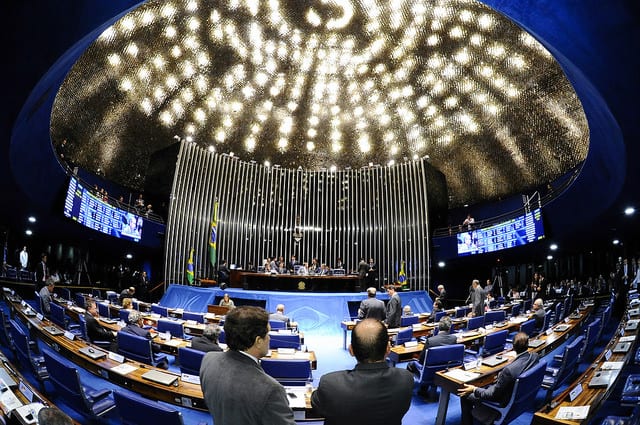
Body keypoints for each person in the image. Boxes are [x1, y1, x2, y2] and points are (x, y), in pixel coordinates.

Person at [199, 306, 296, 425]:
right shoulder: (271, 390)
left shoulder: (208, 359)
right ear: (258, 342)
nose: (269, 338)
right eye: (267, 334)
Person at [311, 319, 414, 425]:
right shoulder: (406, 379)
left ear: (351, 350)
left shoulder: (330, 384)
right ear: (388, 349)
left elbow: (317, 406)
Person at [458, 332, 539, 425]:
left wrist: (474, 389)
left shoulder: (509, 371)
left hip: (503, 401)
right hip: (521, 398)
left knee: (465, 395)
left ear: (513, 347)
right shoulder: (534, 356)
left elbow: (491, 395)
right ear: (528, 344)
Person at [406, 316, 458, 396]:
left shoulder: (431, 341)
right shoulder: (454, 339)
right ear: (449, 327)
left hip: (429, 371)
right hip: (444, 369)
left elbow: (422, 360)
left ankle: (409, 388)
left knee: (411, 364)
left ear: (438, 327)